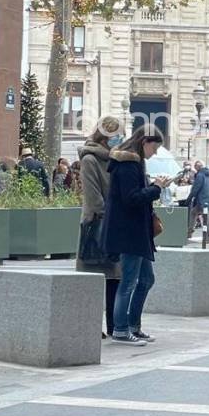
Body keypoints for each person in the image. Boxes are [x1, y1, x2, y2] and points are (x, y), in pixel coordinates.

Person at [100, 125, 170, 345]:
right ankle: (121, 329)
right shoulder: (128, 164)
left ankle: (132, 326)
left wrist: (154, 187)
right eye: (154, 148)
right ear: (144, 142)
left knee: (146, 279)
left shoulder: (133, 162)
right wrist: (156, 188)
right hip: (130, 232)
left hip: (135, 231)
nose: (154, 153)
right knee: (129, 282)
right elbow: (131, 198)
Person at [76, 117, 124, 337]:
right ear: (105, 137)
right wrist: (109, 216)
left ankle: (114, 325)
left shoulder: (116, 158)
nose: (119, 139)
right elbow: (93, 198)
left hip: (113, 224)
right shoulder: (90, 159)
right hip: (96, 224)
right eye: (116, 136)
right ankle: (92, 326)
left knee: (114, 278)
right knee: (93, 278)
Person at [186, 159, 209, 241]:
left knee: (206, 216)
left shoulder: (200, 175)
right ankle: (189, 232)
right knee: (194, 212)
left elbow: (195, 189)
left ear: (198, 167)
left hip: (202, 200)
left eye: (195, 166)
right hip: (208, 198)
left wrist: (188, 199)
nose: (195, 168)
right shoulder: (208, 174)